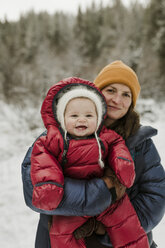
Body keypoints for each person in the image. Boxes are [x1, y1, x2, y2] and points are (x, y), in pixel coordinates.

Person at [21, 61, 165, 248]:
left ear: (132, 102)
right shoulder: (57, 135)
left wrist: (109, 231)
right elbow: (34, 191)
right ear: (97, 92)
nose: (117, 100)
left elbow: (156, 195)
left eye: (126, 94)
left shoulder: (141, 143)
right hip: (61, 237)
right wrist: (103, 193)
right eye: (111, 90)